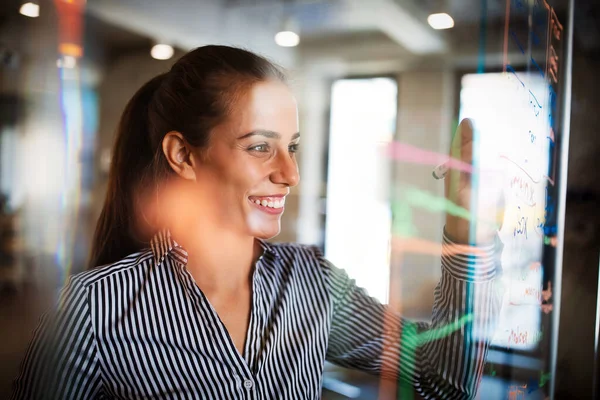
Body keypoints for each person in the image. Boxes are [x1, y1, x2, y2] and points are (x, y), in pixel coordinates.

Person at [11, 45, 503, 400]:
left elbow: (443, 381)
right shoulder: (91, 310)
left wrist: (469, 239)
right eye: (260, 146)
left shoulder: (312, 284)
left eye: (291, 146)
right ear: (184, 154)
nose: (289, 174)